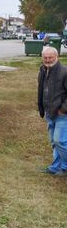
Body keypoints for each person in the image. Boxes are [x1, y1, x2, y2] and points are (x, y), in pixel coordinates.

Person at [38, 46, 67, 175]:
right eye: (45, 57)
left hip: (62, 113)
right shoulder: (43, 70)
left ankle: (65, 167)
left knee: (60, 141)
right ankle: (56, 167)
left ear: (57, 57)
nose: (48, 60)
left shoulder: (64, 71)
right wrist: (41, 108)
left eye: (50, 57)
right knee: (53, 142)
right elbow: (41, 90)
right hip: (49, 112)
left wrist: (63, 109)